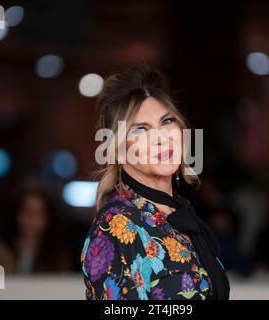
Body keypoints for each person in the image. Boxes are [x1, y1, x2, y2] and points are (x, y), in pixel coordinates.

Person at [81, 63, 230, 300]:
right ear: (118, 150)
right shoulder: (116, 226)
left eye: (167, 121)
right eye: (141, 129)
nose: (160, 137)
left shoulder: (183, 215)